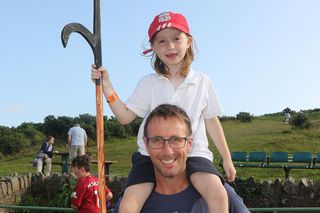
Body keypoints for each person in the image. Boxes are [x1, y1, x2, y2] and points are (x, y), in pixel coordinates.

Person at [91, 11, 236, 212]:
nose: (170, 46)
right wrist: (107, 87)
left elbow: (212, 121)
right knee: (128, 204)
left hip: (194, 153)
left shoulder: (202, 82)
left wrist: (226, 159)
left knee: (219, 195)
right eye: (162, 41)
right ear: (153, 47)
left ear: (189, 41)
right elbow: (125, 117)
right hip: (150, 155)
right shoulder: (148, 83)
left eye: (176, 38)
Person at [114, 104, 248, 212]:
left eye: (176, 139)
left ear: (189, 144)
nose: (167, 151)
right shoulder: (130, 202)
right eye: (157, 140)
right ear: (146, 144)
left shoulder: (221, 193)